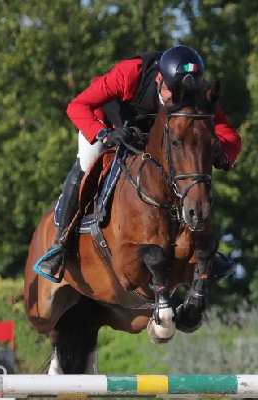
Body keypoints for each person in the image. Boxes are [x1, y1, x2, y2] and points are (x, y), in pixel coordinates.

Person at [35, 45, 242, 280]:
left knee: (189, 175)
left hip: (156, 137)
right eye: (172, 95)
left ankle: (201, 251)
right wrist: (104, 134)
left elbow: (229, 135)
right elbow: (78, 106)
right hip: (107, 125)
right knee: (86, 163)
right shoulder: (130, 74)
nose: (177, 102)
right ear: (159, 79)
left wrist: (222, 154)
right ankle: (60, 244)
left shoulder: (198, 94)